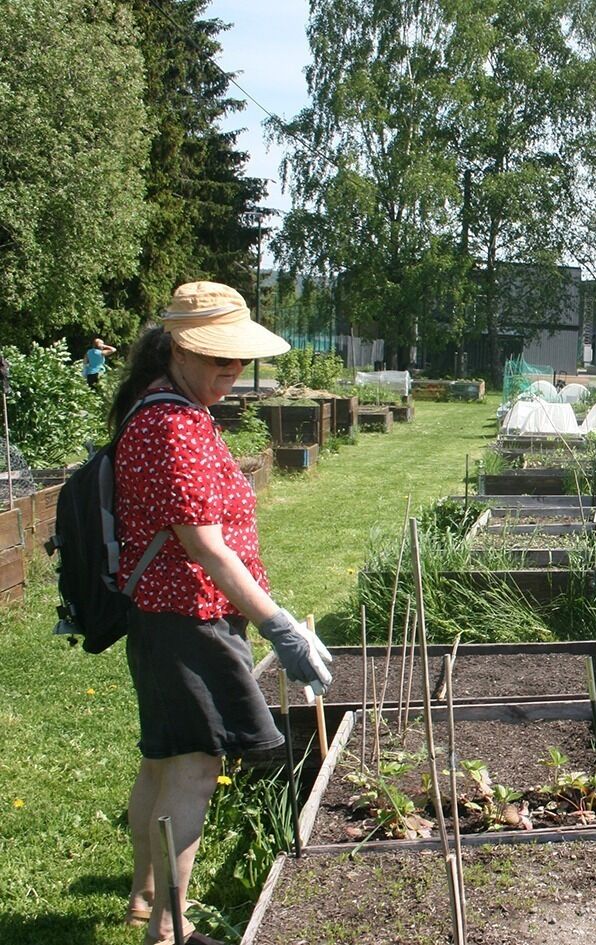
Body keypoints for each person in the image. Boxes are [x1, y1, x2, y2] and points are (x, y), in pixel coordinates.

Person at [112, 281, 331, 945]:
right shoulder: (169, 425)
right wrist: (278, 624)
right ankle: (170, 933)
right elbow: (204, 546)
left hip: (165, 615)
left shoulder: (165, 405)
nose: (230, 374)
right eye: (218, 361)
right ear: (179, 348)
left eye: (237, 362)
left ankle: (143, 900)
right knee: (196, 768)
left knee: (163, 758)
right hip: (188, 617)